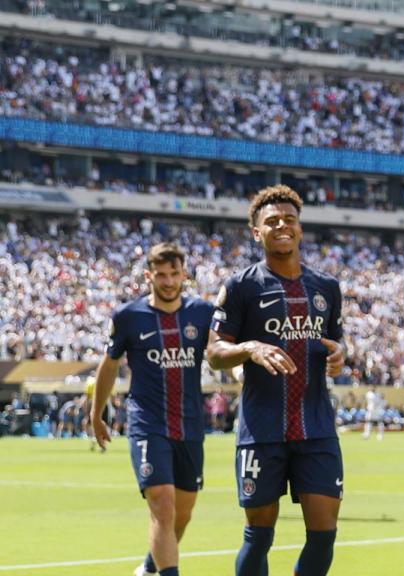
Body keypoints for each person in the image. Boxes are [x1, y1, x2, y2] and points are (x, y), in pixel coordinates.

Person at [206, 185, 345, 576]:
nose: (282, 225)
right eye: (272, 221)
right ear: (256, 232)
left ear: (300, 228)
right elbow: (214, 353)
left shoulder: (327, 288)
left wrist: (341, 354)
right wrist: (250, 347)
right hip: (261, 430)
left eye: (289, 219)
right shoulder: (240, 287)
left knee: (324, 535)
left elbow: (335, 340)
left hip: (317, 428)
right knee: (259, 537)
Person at [91, 242, 215, 576]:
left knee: (183, 514)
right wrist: (96, 413)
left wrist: (241, 371)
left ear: (184, 274)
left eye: (174, 273)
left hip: (190, 425)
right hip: (147, 424)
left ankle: (149, 566)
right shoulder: (129, 317)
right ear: (149, 275)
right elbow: (109, 365)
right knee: (162, 505)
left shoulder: (202, 313)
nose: (168, 281)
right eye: (161, 274)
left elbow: (219, 352)